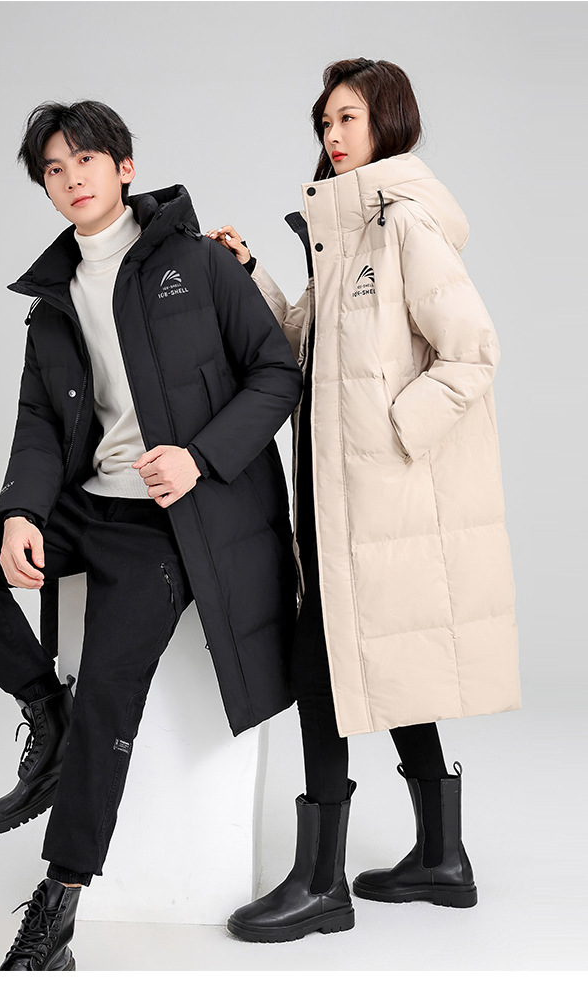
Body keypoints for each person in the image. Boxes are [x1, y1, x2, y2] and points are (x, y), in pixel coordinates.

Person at [0, 99, 302, 970]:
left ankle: (57, 906)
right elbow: (37, 418)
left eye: (85, 161)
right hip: (85, 504)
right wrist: (22, 511)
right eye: (53, 171)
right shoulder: (54, 299)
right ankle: (43, 712)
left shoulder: (198, 265)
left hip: (164, 525)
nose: (71, 180)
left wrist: (201, 459)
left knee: (111, 689)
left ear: (125, 168)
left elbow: (276, 373)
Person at [209, 57, 520, 942]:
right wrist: (250, 274)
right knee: (376, 660)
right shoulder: (345, 236)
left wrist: (394, 430)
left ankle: (320, 883)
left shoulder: (403, 223)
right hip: (332, 496)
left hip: (373, 499)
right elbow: (299, 346)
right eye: (325, 121)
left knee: (324, 669)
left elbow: (472, 351)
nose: (332, 134)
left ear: (387, 121)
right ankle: (443, 859)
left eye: (347, 118)